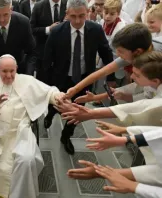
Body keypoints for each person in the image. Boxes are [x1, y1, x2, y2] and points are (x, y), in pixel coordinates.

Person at [0, 54, 64, 198]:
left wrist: (58, 96)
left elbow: (49, 92)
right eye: (4, 71)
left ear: (16, 68)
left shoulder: (27, 81)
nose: (9, 75)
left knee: (26, 159)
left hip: (18, 132)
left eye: (12, 71)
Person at [43, 0, 113, 155]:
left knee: (76, 111)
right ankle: (50, 113)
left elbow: (106, 53)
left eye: (82, 16)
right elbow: (47, 59)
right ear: (67, 14)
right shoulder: (57, 31)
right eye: (73, 16)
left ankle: (66, 135)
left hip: (83, 79)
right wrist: (46, 84)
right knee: (56, 103)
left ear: (88, 12)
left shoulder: (95, 30)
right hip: (60, 77)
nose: (77, 21)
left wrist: (111, 77)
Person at [64, 23, 162, 100]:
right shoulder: (138, 52)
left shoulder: (156, 62)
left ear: (137, 52)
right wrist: (75, 89)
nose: (118, 55)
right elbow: (103, 71)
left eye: (120, 52)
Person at [0, 0, 37, 79]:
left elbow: (32, 52)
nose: (2, 20)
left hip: (19, 72)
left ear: (11, 9)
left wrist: (29, 75)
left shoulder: (23, 22)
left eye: (5, 14)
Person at [30, 0, 67, 81]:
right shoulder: (38, 6)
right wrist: (48, 29)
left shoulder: (68, 4)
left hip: (63, 55)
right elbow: (31, 29)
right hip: (43, 54)